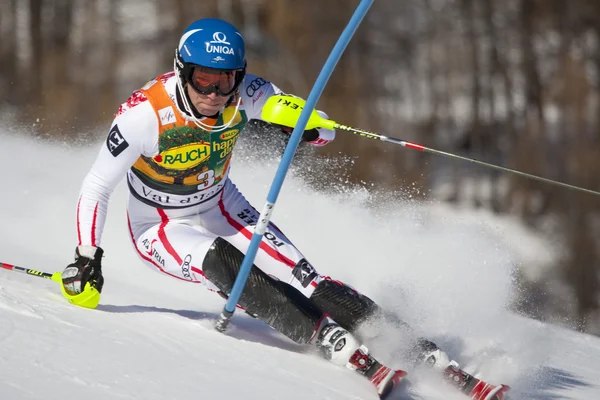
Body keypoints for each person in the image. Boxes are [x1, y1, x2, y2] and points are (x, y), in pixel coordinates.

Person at [61, 18, 507, 400]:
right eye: (204, 80)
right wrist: (87, 256)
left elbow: (312, 120)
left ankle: (416, 347)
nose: (216, 93)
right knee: (226, 263)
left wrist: (310, 128)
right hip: (157, 224)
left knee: (305, 276)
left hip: (219, 203)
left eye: (226, 80)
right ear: (182, 72)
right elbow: (97, 185)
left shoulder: (248, 92)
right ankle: (329, 339)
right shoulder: (145, 115)